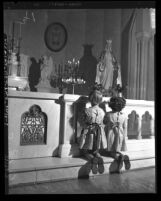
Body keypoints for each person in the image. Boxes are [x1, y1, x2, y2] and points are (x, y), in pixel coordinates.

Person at [79, 85, 107, 174]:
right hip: (99, 132)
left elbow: (82, 123)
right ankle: (99, 157)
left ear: (90, 99)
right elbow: (102, 122)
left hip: (89, 131)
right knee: (96, 150)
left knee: (85, 150)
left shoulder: (87, 110)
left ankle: (92, 159)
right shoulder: (102, 111)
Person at [102, 96, 131, 173]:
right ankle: (122, 156)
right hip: (120, 134)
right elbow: (125, 127)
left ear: (111, 105)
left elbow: (104, 122)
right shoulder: (124, 115)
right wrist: (124, 136)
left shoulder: (108, 114)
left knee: (111, 151)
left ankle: (118, 157)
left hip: (111, 134)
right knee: (117, 148)